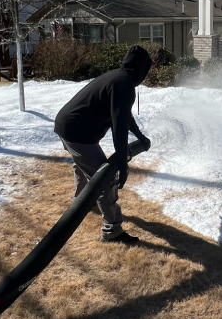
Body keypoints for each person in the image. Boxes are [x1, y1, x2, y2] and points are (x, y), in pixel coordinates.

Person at [54, 45, 154, 244]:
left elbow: (124, 116)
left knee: (84, 166)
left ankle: (81, 201)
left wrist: (140, 136)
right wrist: (121, 165)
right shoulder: (124, 84)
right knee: (104, 179)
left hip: (67, 125)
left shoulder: (118, 77)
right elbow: (119, 127)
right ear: (142, 68)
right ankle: (112, 230)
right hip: (77, 132)